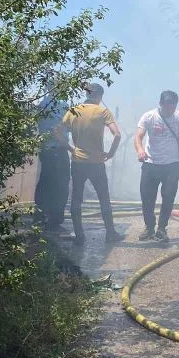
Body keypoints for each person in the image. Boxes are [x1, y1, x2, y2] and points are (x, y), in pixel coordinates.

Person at [57, 83, 123, 245]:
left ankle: (79, 236)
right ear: (100, 96)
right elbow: (117, 135)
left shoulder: (74, 110)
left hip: (78, 161)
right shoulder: (102, 111)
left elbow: (56, 131)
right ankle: (110, 233)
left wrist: (69, 148)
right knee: (104, 199)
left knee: (76, 199)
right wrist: (111, 153)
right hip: (96, 162)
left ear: (86, 94)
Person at [134, 90, 179, 243]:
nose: (170, 111)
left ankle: (161, 229)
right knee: (147, 197)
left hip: (171, 165)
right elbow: (138, 136)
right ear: (160, 104)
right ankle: (149, 228)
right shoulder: (149, 116)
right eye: (167, 107)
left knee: (168, 197)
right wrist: (140, 151)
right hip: (150, 164)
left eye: (173, 107)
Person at [34, 81, 70, 230]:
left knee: (45, 181)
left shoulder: (42, 103)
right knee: (61, 183)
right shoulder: (62, 104)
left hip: (45, 149)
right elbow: (67, 126)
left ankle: (40, 215)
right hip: (58, 148)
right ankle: (56, 217)